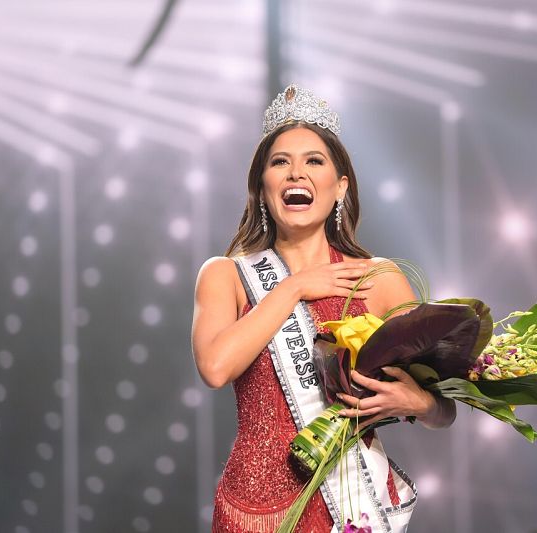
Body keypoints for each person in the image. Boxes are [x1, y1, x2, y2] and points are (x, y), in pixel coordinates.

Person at [191, 85, 456, 533]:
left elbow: (444, 409)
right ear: (262, 186)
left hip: (352, 501)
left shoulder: (379, 277)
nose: (297, 174)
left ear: (340, 187)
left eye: (314, 161)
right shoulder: (225, 274)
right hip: (253, 512)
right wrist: (293, 288)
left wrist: (421, 402)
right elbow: (216, 367)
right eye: (280, 163)